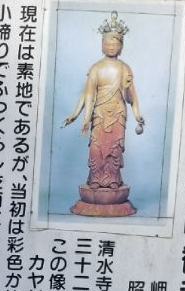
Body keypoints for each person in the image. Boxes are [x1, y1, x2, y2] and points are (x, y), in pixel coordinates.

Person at [62, 13, 145, 218]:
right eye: (106, 42)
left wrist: (138, 115)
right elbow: (88, 94)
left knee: (114, 149)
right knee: (97, 148)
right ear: (101, 43)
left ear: (121, 45)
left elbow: (130, 96)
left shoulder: (125, 68)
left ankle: (113, 181)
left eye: (114, 42)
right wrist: (81, 116)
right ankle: (96, 181)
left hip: (117, 113)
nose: (110, 46)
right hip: (99, 114)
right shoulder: (96, 68)